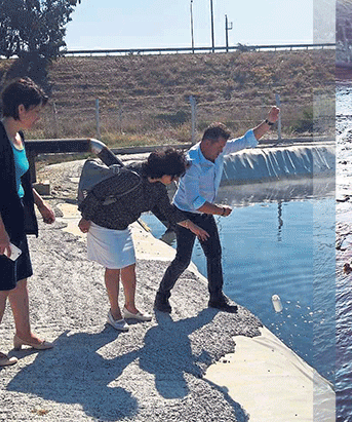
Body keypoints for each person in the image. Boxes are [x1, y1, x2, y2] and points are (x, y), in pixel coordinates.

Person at [0, 77, 56, 368]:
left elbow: (23, 179)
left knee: (19, 280)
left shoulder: (18, 137)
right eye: (36, 111)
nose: (39, 116)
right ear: (20, 108)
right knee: (0, 286)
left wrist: (40, 205)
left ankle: (23, 334)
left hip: (13, 224)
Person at [154, 106, 280, 314]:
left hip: (205, 213)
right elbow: (195, 202)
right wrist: (220, 211)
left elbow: (245, 141)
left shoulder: (216, 151)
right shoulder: (191, 163)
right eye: (219, 147)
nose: (222, 151)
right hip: (185, 215)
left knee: (214, 254)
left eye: (223, 147)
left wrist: (268, 123)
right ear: (206, 143)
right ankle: (161, 297)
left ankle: (216, 298)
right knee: (183, 259)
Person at [77, 147, 209, 332]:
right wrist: (86, 217)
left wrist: (192, 226)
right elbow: (98, 193)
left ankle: (130, 308)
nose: (176, 180)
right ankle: (114, 313)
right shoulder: (131, 177)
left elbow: (169, 211)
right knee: (113, 267)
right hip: (103, 223)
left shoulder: (157, 188)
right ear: (165, 172)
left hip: (122, 226)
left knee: (129, 265)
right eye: (174, 176)